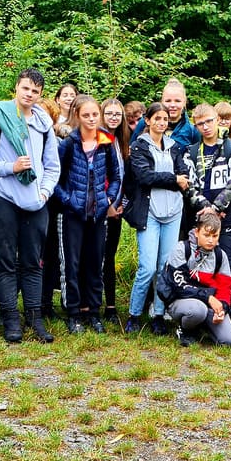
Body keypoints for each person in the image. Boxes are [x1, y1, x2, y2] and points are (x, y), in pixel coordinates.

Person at [0, 68, 61, 344]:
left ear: (40, 94)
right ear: (17, 87)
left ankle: (35, 318)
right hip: (2, 199)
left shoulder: (44, 123)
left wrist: (44, 192)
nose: (29, 94)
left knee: (34, 262)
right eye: (25, 88)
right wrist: (11, 167)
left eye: (35, 91)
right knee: (5, 261)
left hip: (36, 202)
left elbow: (52, 166)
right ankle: (10, 318)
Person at [185, 104, 231, 339]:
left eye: (209, 121)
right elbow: (190, 186)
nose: (205, 127)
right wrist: (206, 210)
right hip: (201, 218)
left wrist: (216, 209)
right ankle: (202, 314)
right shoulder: (191, 151)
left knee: (229, 264)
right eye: (200, 123)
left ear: (217, 120)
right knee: (197, 265)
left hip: (227, 218)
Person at [55, 95, 123, 334]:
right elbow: (55, 179)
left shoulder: (106, 141)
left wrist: (109, 199)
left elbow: (116, 176)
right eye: (86, 115)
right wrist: (68, 200)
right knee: (71, 264)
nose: (92, 119)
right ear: (77, 116)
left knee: (96, 263)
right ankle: (73, 313)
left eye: (95, 114)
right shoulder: (69, 144)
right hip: (72, 214)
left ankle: (93, 312)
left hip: (98, 214)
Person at [125, 101, 191, 335]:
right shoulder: (139, 146)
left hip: (173, 212)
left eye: (165, 119)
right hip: (150, 212)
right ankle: (134, 314)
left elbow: (184, 175)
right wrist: (174, 179)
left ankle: (159, 315)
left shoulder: (175, 146)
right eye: (157, 119)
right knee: (147, 267)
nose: (162, 123)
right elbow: (144, 176)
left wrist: (176, 179)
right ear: (148, 120)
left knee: (165, 266)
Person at [160, 212, 231, 346]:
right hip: (180, 300)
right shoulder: (181, 249)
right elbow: (179, 286)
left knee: (230, 340)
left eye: (215, 236)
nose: (211, 240)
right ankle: (185, 330)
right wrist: (208, 297)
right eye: (206, 235)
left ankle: (203, 325)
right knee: (198, 310)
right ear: (197, 232)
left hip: (208, 304)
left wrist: (222, 309)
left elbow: (225, 288)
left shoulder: (221, 256)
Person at [100, 98, 131, 321]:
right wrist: (107, 204)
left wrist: (121, 204)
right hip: (99, 207)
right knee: (94, 257)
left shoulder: (123, 142)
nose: (113, 117)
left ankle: (110, 306)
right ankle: (89, 304)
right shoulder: (98, 139)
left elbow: (126, 177)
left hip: (117, 209)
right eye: (109, 113)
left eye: (117, 114)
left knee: (109, 257)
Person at [131, 79, 201, 147]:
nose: (172, 105)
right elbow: (131, 150)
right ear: (162, 102)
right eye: (168, 101)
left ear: (184, 103)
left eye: (177, 101)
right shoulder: (145, 122)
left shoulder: (192, 131)